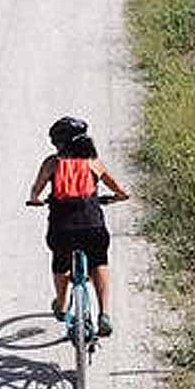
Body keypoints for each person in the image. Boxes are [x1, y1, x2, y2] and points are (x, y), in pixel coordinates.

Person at [27, 117, 129, 337]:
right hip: (93, 226)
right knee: (99, 262)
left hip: (62, 229)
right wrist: (119, 196)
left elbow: (36, 190)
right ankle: (104, 314)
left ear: (59, 143)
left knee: (60, 263)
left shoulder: (52, 163)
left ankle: (62, 305)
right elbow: (119, 189)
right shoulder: (93, 162)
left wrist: (35, 199)